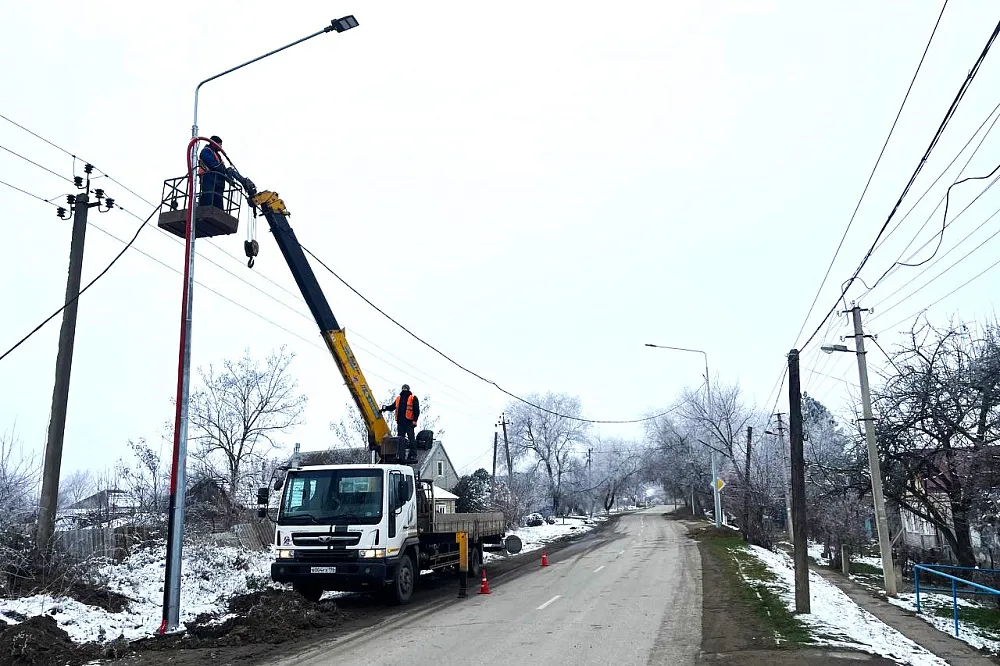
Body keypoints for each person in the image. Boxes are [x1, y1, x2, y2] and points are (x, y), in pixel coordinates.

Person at [381, 384, 420, 461]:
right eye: (403, 388)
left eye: (405, 388)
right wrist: (385, 408)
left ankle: (412, 455)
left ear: (408, 389)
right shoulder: (398, 398)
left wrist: (415, 420)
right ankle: (400, 455)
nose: (404, 389)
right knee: (400, 440)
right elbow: (392, 407)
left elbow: (416, 410)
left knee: (411, 439)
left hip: (409, 422)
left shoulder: (413, 398)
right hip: (401, 423)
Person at [198, 135, 226, 208]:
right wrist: (222, 168)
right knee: (209, 196)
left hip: (217, 180)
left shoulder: (217, 155)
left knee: (218, 200)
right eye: (220, 145)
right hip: (208, 177)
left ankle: (218, 211)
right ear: (214, 143)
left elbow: (220, 166)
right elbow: (212, 164)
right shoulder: (206, 151)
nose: (221, 147)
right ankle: (204, 210)